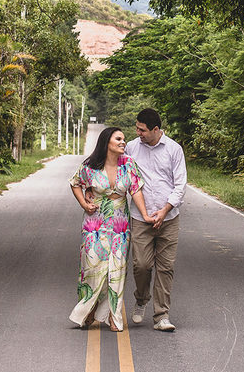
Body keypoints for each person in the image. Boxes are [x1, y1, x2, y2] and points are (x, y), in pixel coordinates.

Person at [68, 126, 151, 331]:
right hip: (94, 224)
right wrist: (84, 204)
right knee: (93, 269)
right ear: (107, 142)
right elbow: (75, 183)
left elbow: (136, 191)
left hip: (120, 225)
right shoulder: (90, 165)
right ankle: (87, 312)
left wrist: (146, 215)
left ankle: (114, 317)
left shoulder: (128, 164)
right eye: (119, 139)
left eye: (124, 139)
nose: (123, 142)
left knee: (116, 269)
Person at [126, 107, 186, 332]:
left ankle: (162, 316)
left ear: (156, 129)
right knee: (141, 265)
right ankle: (141, 298)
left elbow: (180, 185)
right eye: (137, 128)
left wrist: (165, 210)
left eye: (142, 130)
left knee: (165, 267)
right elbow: (123, 178)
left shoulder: (173, 149)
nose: (138, 132)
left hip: (168, 218)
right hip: (140, 218)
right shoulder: (131, 148)